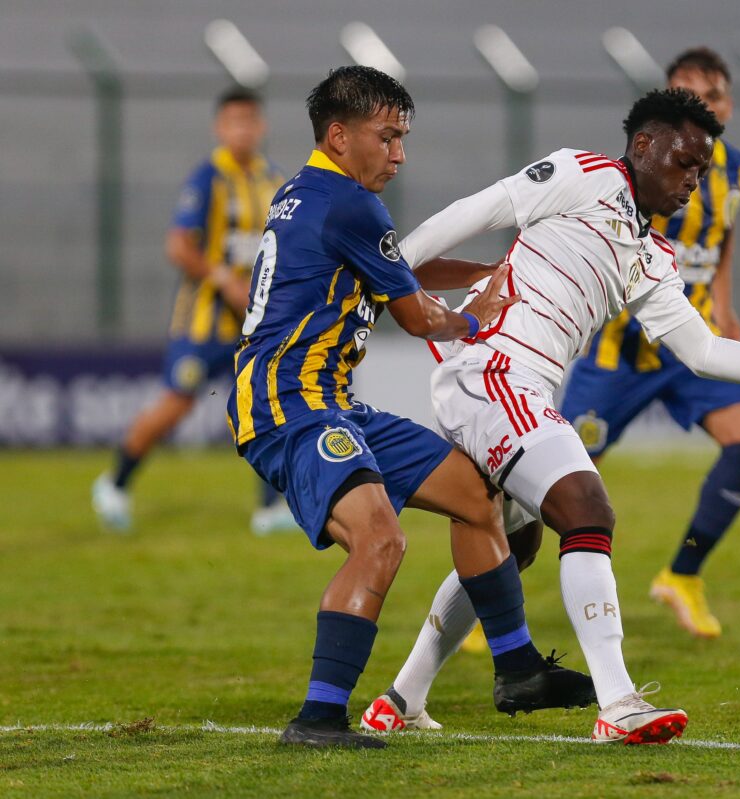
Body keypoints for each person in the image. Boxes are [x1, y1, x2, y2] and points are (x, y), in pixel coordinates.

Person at [361, 88, 740, 745]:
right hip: (489, 369)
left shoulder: (651, 255)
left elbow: (703, 350)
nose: (692, 180)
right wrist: (387, 268)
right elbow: (476, 211)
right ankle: (619, 701)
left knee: (509, 540)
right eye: (683, 162)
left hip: (518, 388)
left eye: (702, 170)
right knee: (588, 508)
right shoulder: (582, 175)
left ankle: (402, 697)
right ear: (642, 146)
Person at [228, 66, 592, 749]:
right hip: (292, 408)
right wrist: (476, 319)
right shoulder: (349, 204)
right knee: (382, 540)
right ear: (339, 136)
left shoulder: (309, 195)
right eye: (387, 137)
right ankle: (318, 717)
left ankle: (516, 670)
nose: (399, 155)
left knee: (476, 496)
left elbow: (398, 267)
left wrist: (481, 273)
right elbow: (418, 316)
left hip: (330, 405)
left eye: (403, 138)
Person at [560, 47, 740, 639]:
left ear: (728, 103)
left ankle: (684, 575)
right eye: (690, 95)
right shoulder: (646, 169)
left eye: (714, 95)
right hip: (621, 355)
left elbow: (722, 237)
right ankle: (487, 597)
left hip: (693, 346)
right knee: (545, 486)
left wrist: (725, 305)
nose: (705, 106)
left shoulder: (739, 171)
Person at [91, 87, 296, 535]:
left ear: (260, 127)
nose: (243, 130)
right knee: (176, 405)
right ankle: (115, 483)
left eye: (250, 121)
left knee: (265, 404)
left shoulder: (274, 181)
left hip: (255, 321)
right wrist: (224, 280)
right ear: (220, 128)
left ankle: (270, 507)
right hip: (203, 322)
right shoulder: (207, 179)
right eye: (234, 122)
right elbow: (178, 246)